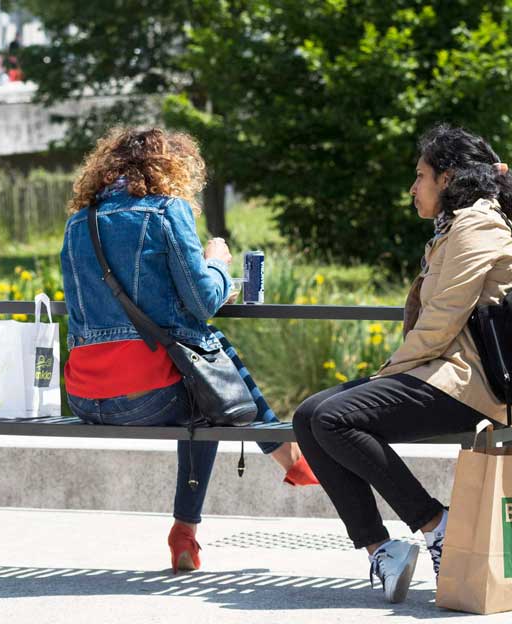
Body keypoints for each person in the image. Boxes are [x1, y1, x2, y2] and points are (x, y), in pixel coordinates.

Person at [293, 124, 512, 604]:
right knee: (307, 416)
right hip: (444, 376)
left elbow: (442, 319)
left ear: (446, 179)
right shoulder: (463, 225)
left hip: (471, 386)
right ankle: (382, 551)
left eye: (420, 175)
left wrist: (387, 373)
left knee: (332, 416)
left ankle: (436, 525)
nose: (412, 187)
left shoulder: (477, 225)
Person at [60, 126, 319, 573]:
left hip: (85, 395)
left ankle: (281, 457)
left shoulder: (79, 222)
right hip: (144, 398)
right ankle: (194, 522)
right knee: (209, 389)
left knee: (207, 380)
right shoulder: (166, 210)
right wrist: (217, 259)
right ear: (171, 168)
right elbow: (202, 301)